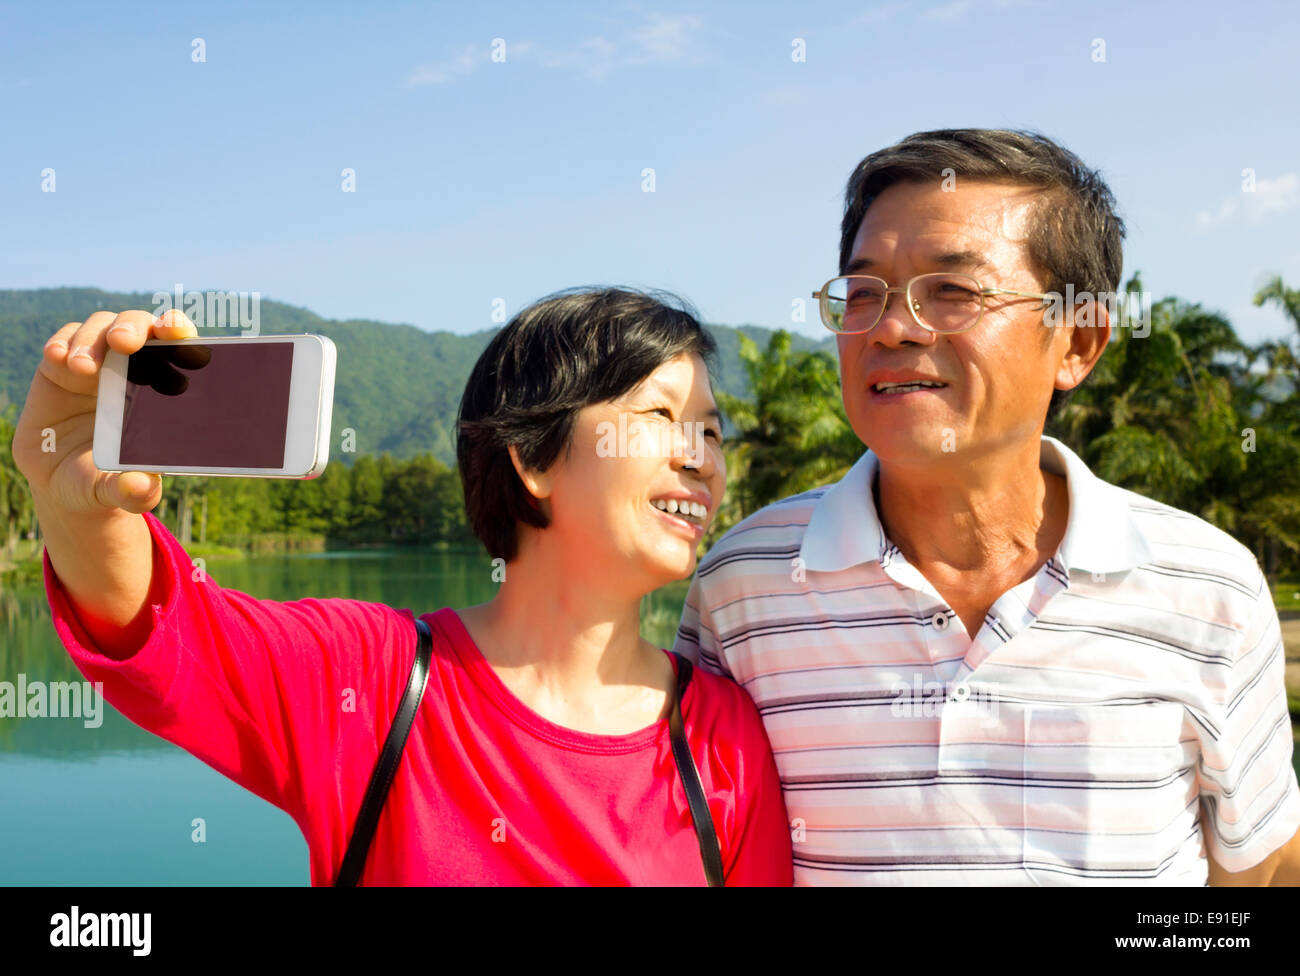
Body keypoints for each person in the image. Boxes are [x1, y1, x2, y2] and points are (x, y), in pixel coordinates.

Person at [672, 128, 1300, 885]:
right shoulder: (746, 584)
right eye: (864, 293)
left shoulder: (1209, 590)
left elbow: (1259, 868)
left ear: (1077, 342)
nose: (893, 327)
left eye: (955, 292)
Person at [15, 286, 793, 886]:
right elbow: (165, 632)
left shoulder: (722, 738)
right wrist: (74, 502)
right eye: (659, 415)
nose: (702, 457)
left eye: (713, 431)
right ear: (534, 456)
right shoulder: (373, 680)